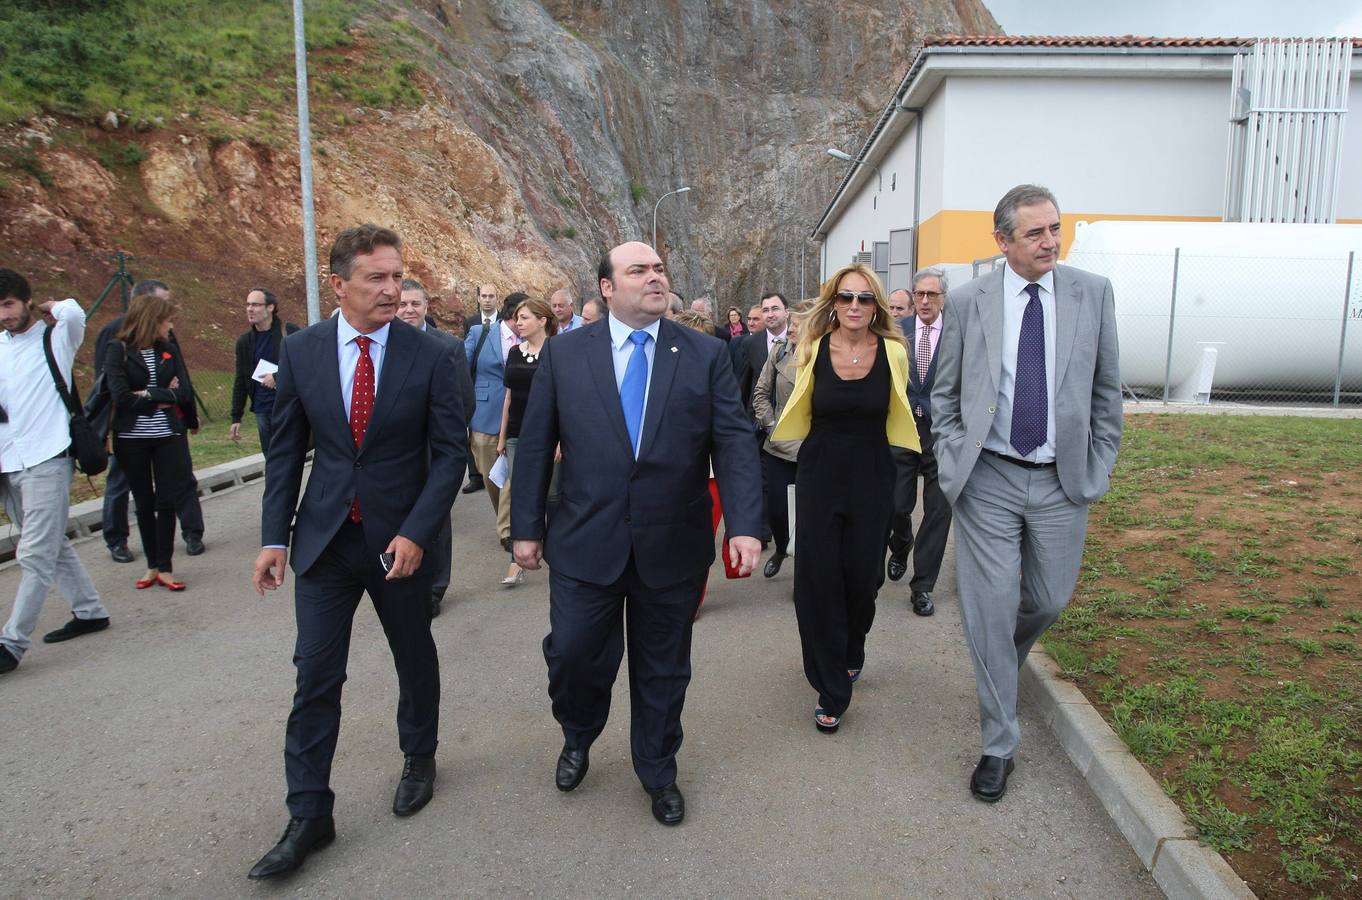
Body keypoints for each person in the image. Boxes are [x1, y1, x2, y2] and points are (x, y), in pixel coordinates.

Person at [510, 241, 762, 827]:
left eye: (659, 269)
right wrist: (526, 527)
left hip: (671, 543)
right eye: (638, 270)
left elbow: (733, 445)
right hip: (583, 540)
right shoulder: (567, 355)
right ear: (607, 287)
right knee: (573, 656)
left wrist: (746, 525)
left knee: (663, 669)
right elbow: (535, 448)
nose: (655, 278)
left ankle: (657, 768)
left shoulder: (702, 354)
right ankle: (578, 732)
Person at [249, 225, 466, 879]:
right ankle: (310, 813)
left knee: (412, 654)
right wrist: (272, 537)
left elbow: (450, 454)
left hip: (397, 543)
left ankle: (420, 754)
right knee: (315, 676)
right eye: (377, 277)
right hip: (325, 542)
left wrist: (416, 531)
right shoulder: (305, 351)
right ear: (339, 284)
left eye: (398, 275)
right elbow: (286, 449)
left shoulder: (430, 354)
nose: (393, 289)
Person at [932, 184, 1122, 803]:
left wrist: (1100, 459)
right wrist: (952, 452)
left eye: (1055, 229)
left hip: (1063, 476)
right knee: (989, 608)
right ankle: (998, 744)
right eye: (1036, 233)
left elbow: (1106, 390)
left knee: (1048, 598)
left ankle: (998, 670)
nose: (1050, 241)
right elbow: (946, 392)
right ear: (1003, 241)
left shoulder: (1092, 294)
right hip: (989, 475)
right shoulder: (969, 301)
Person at [772, 264, 919, 734]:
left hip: (873, 474)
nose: (854, 306)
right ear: (832, 302)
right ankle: (830, 682)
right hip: (819, 472)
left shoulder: (894, 351)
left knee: (863, 578)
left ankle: (852, 644)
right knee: (817, 578)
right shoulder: (811, 347)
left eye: (864, 298)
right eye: (845, 297)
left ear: (876, 306)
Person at [0, 270, 111, 676]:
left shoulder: (55, 337)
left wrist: (51, 307)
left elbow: (75, 314)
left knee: (32, 552)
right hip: (9, 461)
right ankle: (90, 611)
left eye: (10, 304)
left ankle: (11, 644)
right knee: (50, 544)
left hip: (49, 457)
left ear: (26, 301)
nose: (4, 314)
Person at [94, 280, 207, 561]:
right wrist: (159, 395)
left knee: (180, 482)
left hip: (168, 428)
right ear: (147, 308)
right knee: (122, 484)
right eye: (164, 305)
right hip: (129, 432)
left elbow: (182, 388)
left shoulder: (166, 340)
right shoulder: (114, 338)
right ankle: (117, 539)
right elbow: (113, 390)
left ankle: (191, 533)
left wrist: (185, 413)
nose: (170, 322)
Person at [398, 278, 475, 618]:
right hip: (396, 450)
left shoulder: (448, 347)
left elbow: (464, 401)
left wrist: (446, 440)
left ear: (426, 307)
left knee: (437, 518)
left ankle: (435, 587)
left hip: (435, 448)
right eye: (402, 304)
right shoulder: (385, 344)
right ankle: (399, 575)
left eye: (415, 304)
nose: (408, 310)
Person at [886, 268, 952, 617]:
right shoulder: (898, 332)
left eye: (932, 295)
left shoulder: (957, 334)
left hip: (942, 435)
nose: (925, 301)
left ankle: (923, 585)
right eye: (920, 294)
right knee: (898, 505)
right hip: (903, 430)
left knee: (939, 511)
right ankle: (899, 545)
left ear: (943, 298)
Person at [496, 296, 557, 588]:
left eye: (524, 318)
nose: (518, 323)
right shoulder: (514, 353)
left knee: (553, 495)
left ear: (542, 321)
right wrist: (501, 436)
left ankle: (559, 554)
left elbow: (565, 400)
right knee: (520, 493)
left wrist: (563, 440)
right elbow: (508, 397)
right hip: (518, 434)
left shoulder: (557, 352)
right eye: (517, 318)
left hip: (551, 435)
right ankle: (516, 560)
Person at [464, 287, 519, 550]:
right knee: (490, 476)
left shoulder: (531, 337)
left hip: (519, 414)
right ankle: (504, 517)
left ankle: (507, 530)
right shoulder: (480, 333)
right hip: (484, 413)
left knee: (510, 475)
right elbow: (461, 370)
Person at [750, 306, 801, 579]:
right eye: (790, 324)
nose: (789, 329)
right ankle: (782, 548)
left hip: (814, 449)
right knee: (778, 512)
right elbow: (761, 392)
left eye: (796, 325)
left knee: (810, 516)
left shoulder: (826, 354)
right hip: (779, 446)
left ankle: (804, 572)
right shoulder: (780, 351)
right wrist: (771, 426)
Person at [229, 288, 300, 458]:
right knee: (271, 460)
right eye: (247, 305)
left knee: (291, 458)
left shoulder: (289, 332)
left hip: (288, 407)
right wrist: (236, 418)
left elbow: (306, 366)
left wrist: (277, 377)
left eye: (255, 305)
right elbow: (240, 380)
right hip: (262, 409)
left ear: (270, 307)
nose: (250, 309)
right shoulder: (244, 342)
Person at [461, 283, 503, 495]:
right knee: (475, 438)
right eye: (484, 296)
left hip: (500, 392)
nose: (487, 299)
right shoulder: (472, 324)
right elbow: (466, 358)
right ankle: (475, 476)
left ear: (497, 298)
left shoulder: (507, 321)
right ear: (478, 299)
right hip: (478, 389)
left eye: (491, 296)